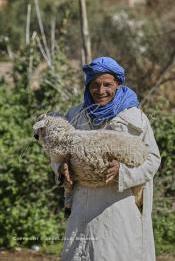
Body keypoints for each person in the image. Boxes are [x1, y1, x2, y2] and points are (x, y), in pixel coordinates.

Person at [51, 57, 161, 261]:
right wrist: (60, 167)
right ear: (88, 85)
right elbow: (59, 151)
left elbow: (153, 160)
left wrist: (123, 173)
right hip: (82, 205)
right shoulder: (75, 116)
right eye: (95, 84)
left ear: (118, 84)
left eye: (107, 84)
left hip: (118, 207)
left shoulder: (134, 119)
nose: (100, 90)